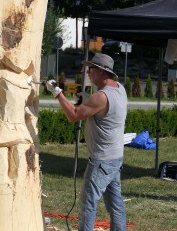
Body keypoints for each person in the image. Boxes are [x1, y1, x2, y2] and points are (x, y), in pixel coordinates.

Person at [46, 53, 127, 231]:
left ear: (99, 71)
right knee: (115, 204)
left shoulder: (101, 97)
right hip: (115, 157)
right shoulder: (120, 89)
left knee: (87, 203)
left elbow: (73, 116)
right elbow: (97, 109)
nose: (88, 73)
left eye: (90, 70)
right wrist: (86, 99)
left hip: (101, 160)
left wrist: (58, 93)